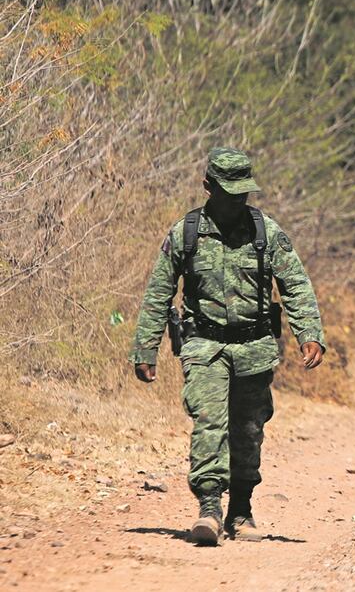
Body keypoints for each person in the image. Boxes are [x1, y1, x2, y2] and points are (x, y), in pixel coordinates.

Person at [129, 147, 325, 546]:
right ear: (208, 187)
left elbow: (296, 285)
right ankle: (209, 507)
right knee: (209, 422)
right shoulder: (185, 234)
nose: (238, 200)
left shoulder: (265, 232)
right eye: (229, 192)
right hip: (204, 344)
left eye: (243, 192)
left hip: (253, 346)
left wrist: (310, 333)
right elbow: (158, 292)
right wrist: (145, 348)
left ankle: (241, 509)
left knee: (249, 430)